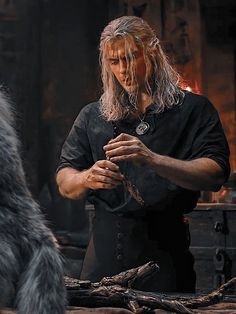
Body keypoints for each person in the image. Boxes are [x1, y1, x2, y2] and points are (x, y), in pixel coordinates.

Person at [56, 16, 230, 292]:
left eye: (130, 58)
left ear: (152, 51)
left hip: (165, 260)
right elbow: (65, 180)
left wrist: (152, 159)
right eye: (115, 62)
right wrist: (87, 177)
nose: (123, 70)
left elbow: (215, 173)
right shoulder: (92, 115)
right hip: (102, 262)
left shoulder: (193, 109)